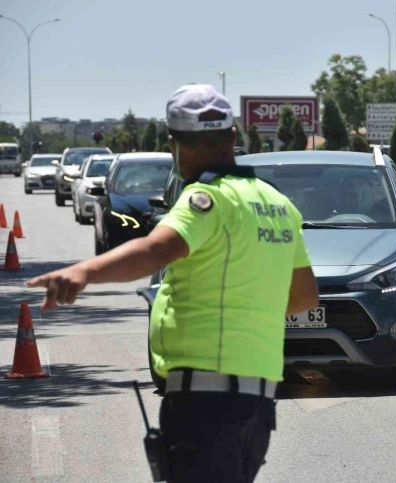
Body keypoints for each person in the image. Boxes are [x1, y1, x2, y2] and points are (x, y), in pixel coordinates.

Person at [27, 83, 319, 481]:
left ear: (175, 145)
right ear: (233, 136)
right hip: (259, 402)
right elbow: (304, 295)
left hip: (205, 402)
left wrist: (84, 272)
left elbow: (155, 251)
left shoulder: (207, 199)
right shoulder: (276, 203)